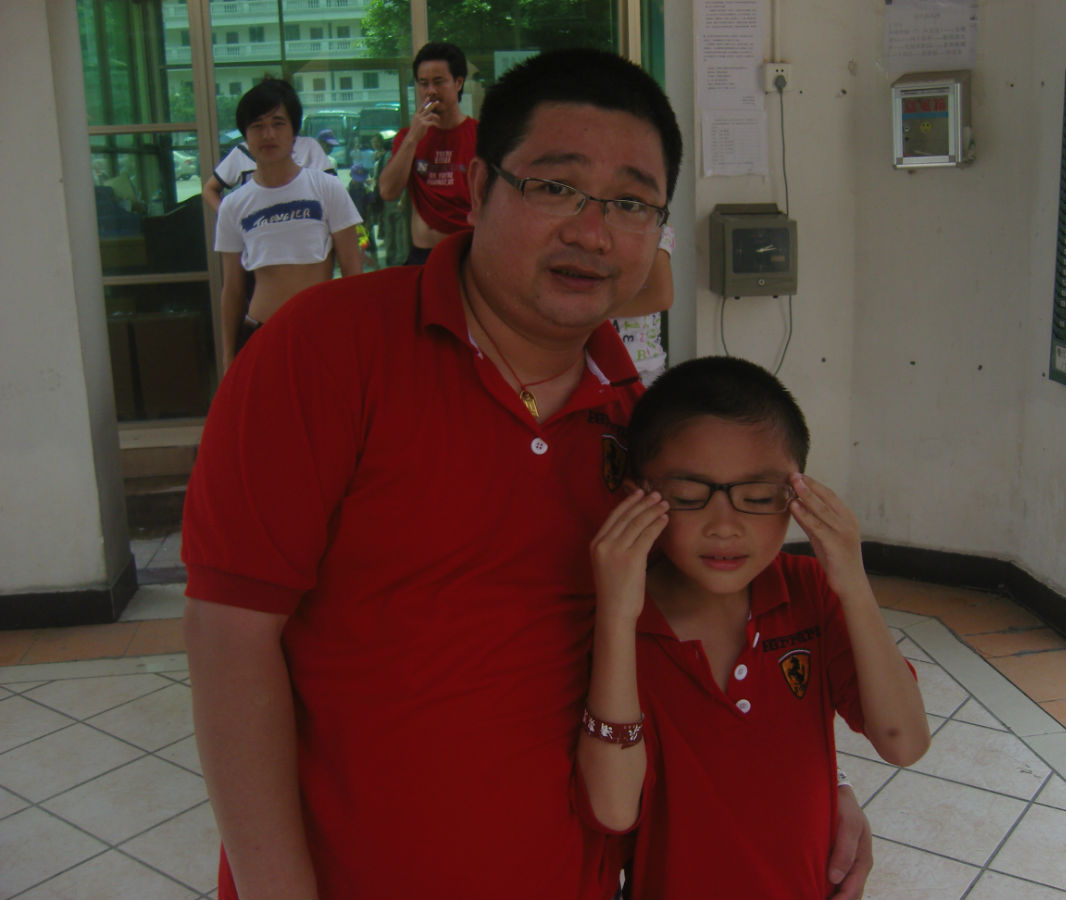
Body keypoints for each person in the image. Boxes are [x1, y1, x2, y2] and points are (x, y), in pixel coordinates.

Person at [182, 49, 873, 899]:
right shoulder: (324, 351)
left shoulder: (642, 426)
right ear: (477, 189)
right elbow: (230, 638)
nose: (592, 231)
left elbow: (704, 635)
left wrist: (812, 788)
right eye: (555, 186)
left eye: (630, 203)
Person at [579, 356, 930, 898]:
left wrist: (853, 585)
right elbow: (614, 809)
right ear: (636, 498)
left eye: (759, 498)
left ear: (797, 496)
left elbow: (904, 742)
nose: (725, 526)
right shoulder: (623, 624)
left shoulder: (808, 592)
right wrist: (618, 618)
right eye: (689, 495)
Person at [212, 78, 362, 372]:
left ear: (294, 132)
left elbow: (352, 272)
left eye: (278, 123)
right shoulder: (233, 205)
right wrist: (229, 356)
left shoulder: (327, 188)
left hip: (320, 334)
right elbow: (232, 289)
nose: (268, 134)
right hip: (260, 334)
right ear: (245, 136)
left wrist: (356, 338)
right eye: (257, 126)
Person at [377, 41, 477, 264]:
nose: (430, 91)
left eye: (438, 82)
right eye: (423, 84)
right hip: (423, 254)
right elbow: (387, 191)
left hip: (468, 252)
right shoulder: (408, 137)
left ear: (458, 82)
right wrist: (413, 138)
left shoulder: (479, 134)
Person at [200, 124, 335, 213]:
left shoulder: (309, 147)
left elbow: (332, 191)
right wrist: (230, 221)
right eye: (259, 124)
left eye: (278, 123)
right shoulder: (242, 152)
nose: (269, 133)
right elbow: (209, 190)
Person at [611, 223, 674, 385]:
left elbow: (661, 297)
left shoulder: (654, 226)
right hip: (590, 365)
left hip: (642, 368)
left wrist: (596, 309)